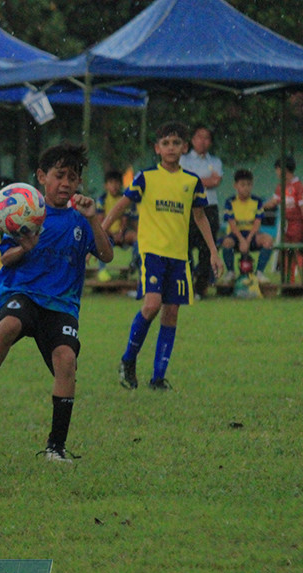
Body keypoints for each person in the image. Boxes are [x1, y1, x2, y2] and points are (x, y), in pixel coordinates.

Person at [0, 142, 113, 462]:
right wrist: (26, 246)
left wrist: (94, 219)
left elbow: (106, 254)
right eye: (59, 175)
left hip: (61, 304)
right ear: (42, 177)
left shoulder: (82, 218)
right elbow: (6, 259)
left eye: (73, 177)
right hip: (18, 292)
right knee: (9, 324)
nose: (66, 183)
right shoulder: (25, 210)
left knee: (66, 360)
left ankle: (55, 447)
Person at [105, 121, 223, 391]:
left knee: (171, 313)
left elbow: (200, 216)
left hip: (179, 257)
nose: (171, 148)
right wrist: (100, 232)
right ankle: (128, 360)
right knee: (152, 304)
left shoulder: (191, 182)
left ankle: (158, 378)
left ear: (184, 148)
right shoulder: (146, 178)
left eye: (176, 143)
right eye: (166, 143)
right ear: (157, 148)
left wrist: (214, 251)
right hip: (152, 253)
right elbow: (121, 206)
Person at [179, 125, 223, 299]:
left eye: (206, 138)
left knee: (207, 249)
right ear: (192, 139)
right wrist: (204, 180)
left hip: (209, 207)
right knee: (185, 247)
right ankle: (186, 285)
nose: (202, 141)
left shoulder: (215, 161)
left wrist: (195, 179)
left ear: (210, 142)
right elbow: (186, 180)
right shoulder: (183, 160)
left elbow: (216, 180)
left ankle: (201, 288)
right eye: (199, 137)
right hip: (188, 207)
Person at [219, 169, 274, 283]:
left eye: (249, 185)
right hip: (236, 235)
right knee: (226, 242)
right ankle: (231, 272)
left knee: (268, 240)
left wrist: (247, 240)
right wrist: (241, 240)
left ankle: (259, 272)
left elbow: (257, 224)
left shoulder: (257, 201)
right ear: (235, 186)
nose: (246, 188)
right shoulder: (230, 201)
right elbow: (232, 225)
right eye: (242, 185)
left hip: (251, 235)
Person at [263, 155, 303, 284]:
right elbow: (273, 202)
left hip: (297, 224)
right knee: (286, 252)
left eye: (277, 169)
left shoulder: (298, 186)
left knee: (298, 251)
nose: (276, 173)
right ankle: (289, 282)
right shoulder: (280, 187)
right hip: (286, 224)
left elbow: (302, 206)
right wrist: (259, 207)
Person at [95, 170, 138, 280]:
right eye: (111, 183)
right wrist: (112, 234)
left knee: (138, 239)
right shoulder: (102, 200)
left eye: (117, 183)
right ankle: (102, 270)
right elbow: (101, 222)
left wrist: (120, 233)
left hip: (121, 233)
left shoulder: (125, 199)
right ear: (106, 185)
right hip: (108, 234)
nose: (114, 186)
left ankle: (134, 265)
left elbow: (125, 219)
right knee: (100, 239)